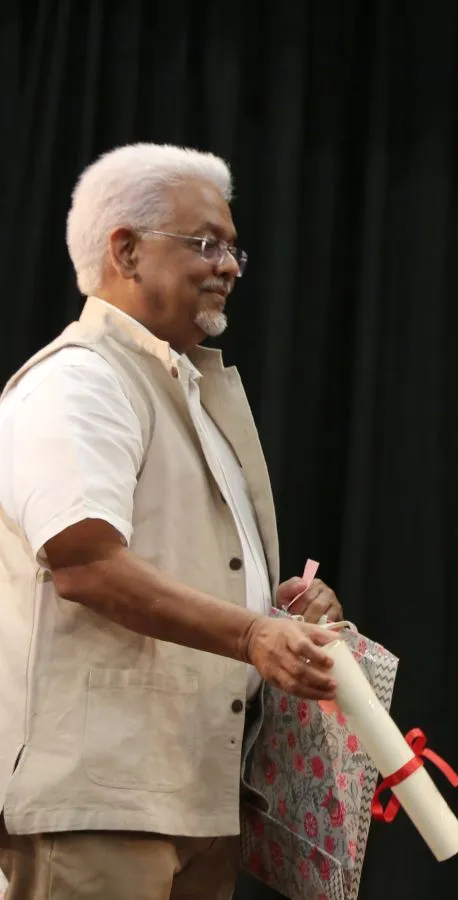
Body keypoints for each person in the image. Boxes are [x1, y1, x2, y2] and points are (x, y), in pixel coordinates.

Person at [0, 143, 344, 900]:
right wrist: (253, 635)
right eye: (205, 243)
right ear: (125, 249)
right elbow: (86, 565)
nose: (229, 265)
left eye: (232, 247)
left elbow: (186, 565)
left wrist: (276, 606)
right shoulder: (80, 380)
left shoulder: (185, 387)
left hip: (195, 795)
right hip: (100, 800)